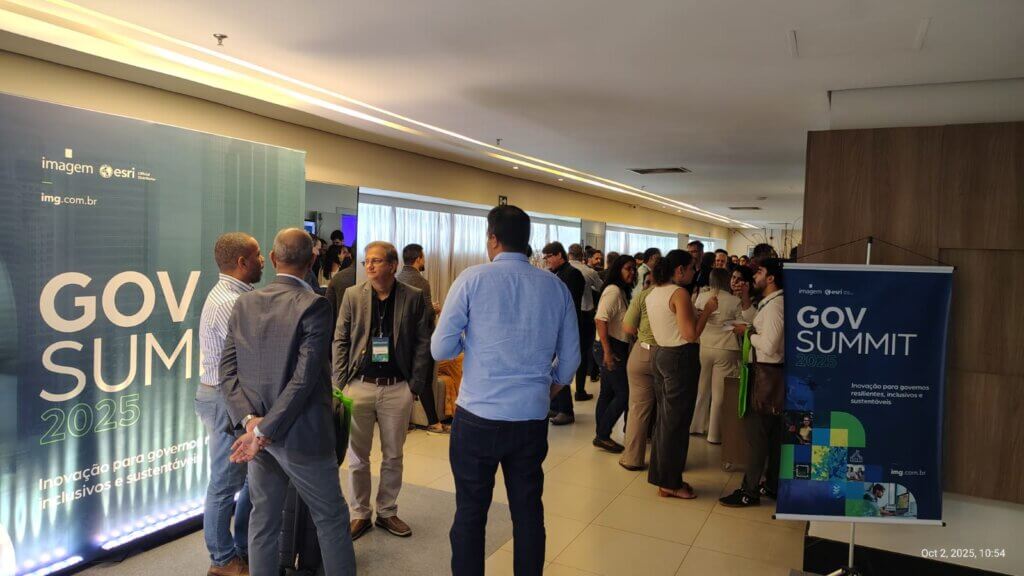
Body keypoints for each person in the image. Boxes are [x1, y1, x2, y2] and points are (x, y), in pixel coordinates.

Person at [433, 205, 579, 576]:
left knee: (470, 512)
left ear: (493, 239)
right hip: (530, 418)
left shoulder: (471, 279)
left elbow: (441, 349)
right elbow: (571, 360)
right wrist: (546, 392)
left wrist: (470, 339)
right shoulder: (554, 286)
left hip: (477, 416)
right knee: (528, 512)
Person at [221, 228, 355, 576]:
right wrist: (261, 428)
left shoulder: (244, 302)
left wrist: (252, 423)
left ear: (274, 257)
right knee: (332, 518)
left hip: (259, 439)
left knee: (263, 520)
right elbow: (304, 380)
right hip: (303, 436)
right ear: (312, 260)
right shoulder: (315, 304)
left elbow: (227, 372)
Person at [333, 241, 433, 540]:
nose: (370, 266)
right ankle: (360, 513)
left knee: (393, 455)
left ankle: (387, 511)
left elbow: (422, 343)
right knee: (357, 456)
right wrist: (340, 382)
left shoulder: (412, 296)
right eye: (367, 261)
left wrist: (414, 385)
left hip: (396, 387)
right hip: (359, 385)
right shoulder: (353, 295)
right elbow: (340, 339)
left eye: (376, 261)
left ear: (392, 265)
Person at [197, 232, 262, 576]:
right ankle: (222, 561)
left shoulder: (240, 295)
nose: (263, 260)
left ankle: (240, 549)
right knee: (225, 483)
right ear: (241, 263)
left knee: (247, 479)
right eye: (258, 255)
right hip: (225, 399)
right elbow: (246, 357)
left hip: (229, 397)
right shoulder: (229, 303)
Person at [644, 250, 713, 499]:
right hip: (680, 358)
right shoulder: (679, 293)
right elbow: (690, 334)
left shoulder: (653, 292)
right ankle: (671, 483)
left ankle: (662, 477)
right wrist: (706, 311)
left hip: (660, 354)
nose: (695, 272)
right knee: (676, 424)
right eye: (692, 268)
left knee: (665, 420)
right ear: (680, 270)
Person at [720, 258, 785, 508]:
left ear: (771, 278)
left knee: (757, 435)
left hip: (766, 376)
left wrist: (747, 333)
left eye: (759, 272)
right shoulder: (769, 304)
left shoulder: (775, 306)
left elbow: (770, 346)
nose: (753, 276)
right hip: (764, 374)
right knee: (767, 435)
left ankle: (749, 491)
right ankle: (769, 484)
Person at [396, 243, 448, 434]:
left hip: (401, 340)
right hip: (421, 340)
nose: (424, 260)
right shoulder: (422, 282)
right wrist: (434, 310)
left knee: (403, 380)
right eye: (423, 257)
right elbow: (425, 315)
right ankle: (433, 422)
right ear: (418, 258)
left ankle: (405, 422)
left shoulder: (397, 279)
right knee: (425, 381)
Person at [691, 268, 745, 444]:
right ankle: (714, 434)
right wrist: (724, 325)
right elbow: (740, 324)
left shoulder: (701, 297)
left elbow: (697, 319)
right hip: (726, 348)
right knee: (719, 394)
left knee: (701, 388)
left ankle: (695, 426)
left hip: (703, 346)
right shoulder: (735, 301)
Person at [593, 254, 635, 453]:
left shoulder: (621, 292)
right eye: (628, 268)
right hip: (609, 346)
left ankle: (601, 434)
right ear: (618, 269)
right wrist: (608, 352)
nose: (632, 272)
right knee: (624, 393)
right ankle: (602, 434)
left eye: (633, 269)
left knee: (607, 393)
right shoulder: (613, 291)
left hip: (611, 345)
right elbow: (601, 319)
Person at [543, 242, 585, 425]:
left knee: (561, 367)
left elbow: (568, 304)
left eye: (548, 257)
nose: (546, 261)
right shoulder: (555, 274)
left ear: (559, 255)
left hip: (565, 328)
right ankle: (555, 405)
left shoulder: (573, 275)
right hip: (553, 327)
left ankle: (566, 410)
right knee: (550, 367)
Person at [619, 274, 656, 471]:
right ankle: (664, 463)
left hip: (642, 351)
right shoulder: (678, 295)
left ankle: (632, 458)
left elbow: (627, 326)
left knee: (638, 410)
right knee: (667, 413)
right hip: (668, 355)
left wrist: (642, 333)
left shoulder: (642, 296)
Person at [568, 243, 602, 402]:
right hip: (585, 315)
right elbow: (601, 288)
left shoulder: (562, 271)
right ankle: (580, 390)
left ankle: (562, 392)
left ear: (568, 255)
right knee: (582, 353)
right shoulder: (589, 272)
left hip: (567, 315)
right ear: (582, 256)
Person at [325, 247, 357, 328]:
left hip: (343, 330)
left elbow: (329, 310)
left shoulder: (338, 277)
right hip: (377, 337)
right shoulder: (379, 278)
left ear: (350, 255)